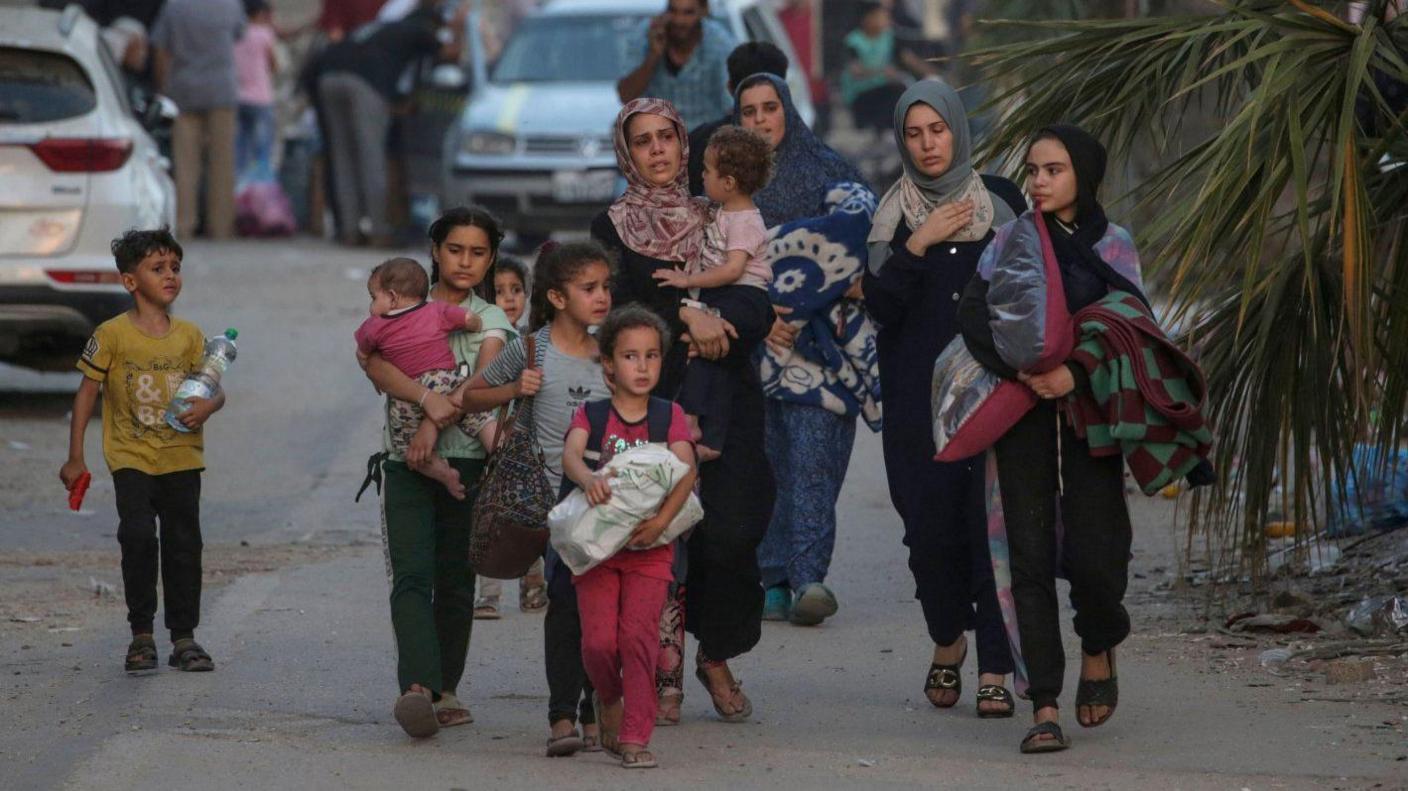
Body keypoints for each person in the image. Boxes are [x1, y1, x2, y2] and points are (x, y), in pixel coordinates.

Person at [958, 125, 1145, 753]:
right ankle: (1043, 702)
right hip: (1021, 411)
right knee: (1026, 555)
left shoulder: (1113, 245)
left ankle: (1099, 642)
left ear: (1083, 177)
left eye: (1054, 170)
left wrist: (1076, 368)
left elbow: (1133, 323)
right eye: (1033, 170)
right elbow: (973, 316)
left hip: (1091, 410)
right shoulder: (1008, 242)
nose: (1038, 182)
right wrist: (1025, 371)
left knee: (1098, 557)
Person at [591, 98, 776, 725]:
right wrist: (687, 317)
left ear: (683, 142)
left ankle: (715, 653)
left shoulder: (720, 211)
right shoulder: (611, 226)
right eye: (642, 142)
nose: (658, 151)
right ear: (627, 153)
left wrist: (719, 320)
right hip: (651, 406)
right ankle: (662, 673)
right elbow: (619, 307)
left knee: (732, 534)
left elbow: (758, 298)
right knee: (659, 544)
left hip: (729, 401)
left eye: (666, 137)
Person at [862, 79, 1021, 717]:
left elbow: (1024, 299)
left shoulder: (1004, 208)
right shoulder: (889, 215)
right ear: (902, 140)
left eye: (938, 130)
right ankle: (947, 638)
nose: (929, 145)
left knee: (989, 530)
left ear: (958, 129)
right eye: (915, 133)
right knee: (927, 531)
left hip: (992, 398)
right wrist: (919, 243)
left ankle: (997, 664)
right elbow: (880, 307)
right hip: (913, 402)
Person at [360, 206, 516, 738]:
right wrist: (427, 399)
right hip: (402, 463)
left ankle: (447, 688)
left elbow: (483, 379)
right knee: (410, 574)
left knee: (454, 581)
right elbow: (375, 366)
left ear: (491, 258)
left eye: (477, 252)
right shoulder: (398, 303)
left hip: (468, 463)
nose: (465, 261)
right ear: (434, 250)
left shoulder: (491, 319)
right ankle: (417, 689)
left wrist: (431, 425)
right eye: (454, 249)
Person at [457, 241, 614, 758]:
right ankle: (563, 715)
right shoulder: (532, 349)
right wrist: (514, 390)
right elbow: (471, 396)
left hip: (604, 502)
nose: (601, 297)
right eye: (588, 288)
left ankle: (594, 711)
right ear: (556, 296)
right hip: (547, 501)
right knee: (567, 607)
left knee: (601, 615)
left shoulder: (609, 353)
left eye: (605, 287)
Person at [733, 72, 866, 625]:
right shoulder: (727, 180)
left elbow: (851, 246)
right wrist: (763, 319)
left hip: (820, 352)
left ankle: (809, 577)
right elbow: (720, 263)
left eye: (770, 107)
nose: (761, 120)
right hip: (754, 353)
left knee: (814, 463)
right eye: (749, 111)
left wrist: (799, 304)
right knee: (766, 464)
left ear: (788, 108)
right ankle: (771, 580)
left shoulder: (830, 169)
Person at [59, 229, 225, 675]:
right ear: (131, 282)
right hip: (130, 457)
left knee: (184, 543)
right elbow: (86, 393)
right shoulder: (111, 334)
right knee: (136, 537)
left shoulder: (191, 336)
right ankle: (141, 635)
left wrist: (207, 407)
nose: (170, 276)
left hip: (182, 458)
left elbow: (214, 389)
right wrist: (75, 456)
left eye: (174, 268)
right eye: (158, 269)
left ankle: (185, 637)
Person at [561, 306, 698, 770]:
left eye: (652, 356)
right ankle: (609, 698)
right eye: (631, 356)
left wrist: (661, 525)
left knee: (638, 641)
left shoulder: (668, 415)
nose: (643, 367)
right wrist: (585, 478)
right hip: (597, 552)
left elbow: (685, 469)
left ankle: (636, 735)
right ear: (608, 366)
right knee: (599, 644)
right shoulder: (593, 413)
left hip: (649, 551)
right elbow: (571, 455)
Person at [653, 125, 772, 461]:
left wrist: (688, 280)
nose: (701, 176)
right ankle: (707, 433)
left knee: (705, 350)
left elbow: (734, 270)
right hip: (725, 295)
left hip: (745, 296)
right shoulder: (720, 212)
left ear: (729, 183)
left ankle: (692, 419)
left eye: (706, 170)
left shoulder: (746, 221)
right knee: (713, 359)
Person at [316, 0, 467, 246]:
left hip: (328, 73)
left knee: (342, 157)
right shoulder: (420, 29)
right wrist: (459, 28)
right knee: (371, 156)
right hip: (365, 81)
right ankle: (378, 230)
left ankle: (349, 230)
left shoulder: (384, 27)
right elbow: (451, 53)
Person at [354, 257, 498, 499]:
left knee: (407, 447)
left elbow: (364, 356)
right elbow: (467, 319)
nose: (371, 306)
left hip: (408, 392)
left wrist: (372, 376)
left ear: (392, 297)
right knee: (480, 417)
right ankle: (502, 448)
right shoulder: (435, 310)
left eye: (373, 297)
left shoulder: (375, 326)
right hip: (446, 379)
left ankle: (442, 473)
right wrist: (475, 323)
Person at [473, 254, 547, 620]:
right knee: (495, 517)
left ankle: (533, 586)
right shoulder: (488, 339)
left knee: (527, 515)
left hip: (525, 441)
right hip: (494, 437)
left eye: (516, 290)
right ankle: (488, 596)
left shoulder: (531, 340)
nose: (510, 298)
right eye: (499, 291)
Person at [151, 0, 246, 240]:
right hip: (221, 89)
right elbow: (240, 34)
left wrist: (162, 88)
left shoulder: (173, 6)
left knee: (185, 165)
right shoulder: (230, 5)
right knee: (222, 164)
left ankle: (184, 224)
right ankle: (221, 226)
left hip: (183, 88)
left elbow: (162, 49)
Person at [616, 0, 737, 131]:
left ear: (703, 12)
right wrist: (653, 56)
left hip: (705, 140)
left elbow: (732, 106)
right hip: (657, 139)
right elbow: (626, 96)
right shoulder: (646, 35)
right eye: (673, 11)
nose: (679, 20)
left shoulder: (720, 44)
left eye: (688, 13)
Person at [686, 41, 788, 197]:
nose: (759, 119)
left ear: (729, 88)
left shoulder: (698, 143)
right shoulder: (814, 158)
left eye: (769, 107)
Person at [839, 2, 914, 136]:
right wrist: (882, 72)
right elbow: (855, 71)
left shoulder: (888, 37)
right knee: (896, 91)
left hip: (882, 90)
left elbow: (908, 59)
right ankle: (884, 131)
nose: (886, 21)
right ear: (867, 19)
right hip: (860, 96)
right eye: (881, 17)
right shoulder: (853, 41)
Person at [233, 0, 278, 189]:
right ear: (259, 13)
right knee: (262, 153)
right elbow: (274, 65)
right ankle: (262, 195)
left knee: (240, 152)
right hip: (261, 99)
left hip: (238, 97)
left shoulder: (236, 34)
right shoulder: (264, 33)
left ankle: (239, 192)